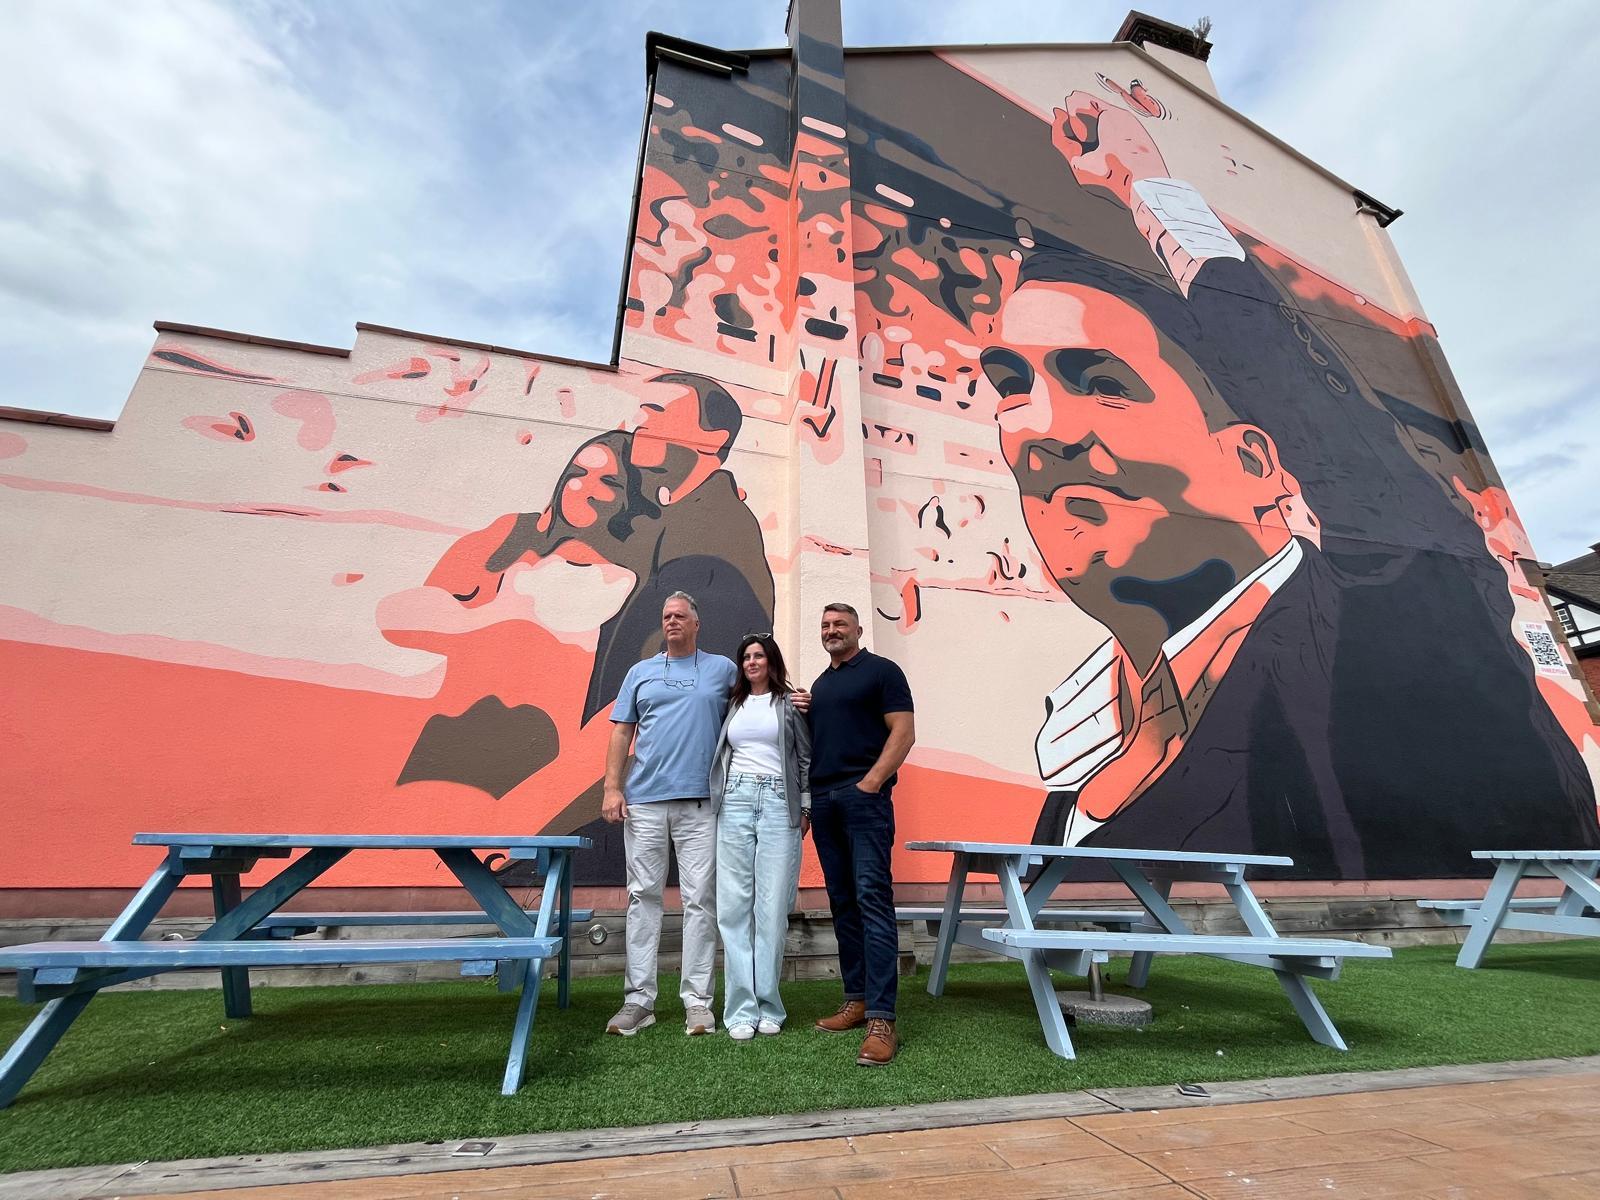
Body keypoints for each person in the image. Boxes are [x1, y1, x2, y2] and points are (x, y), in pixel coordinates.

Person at [602, 591, 737, 1036]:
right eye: (666, 616)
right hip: (644, 803)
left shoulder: (722, 670)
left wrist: (797, 701)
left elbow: (756, 706)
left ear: (696, 623)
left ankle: (698, 1003)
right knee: (643, 898)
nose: (672, 621)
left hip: (702, 805)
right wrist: (612, 787)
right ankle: (639, 1001)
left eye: (680, 615)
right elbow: (622, 733)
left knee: (701, 901)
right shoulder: (640, 673)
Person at [806, 603, 915, 1066]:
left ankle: (882, 1018)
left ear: (858, 630)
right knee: (843, 902)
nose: (832, 631)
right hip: (825, 803)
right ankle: (856, 1000)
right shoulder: (821, 685)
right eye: (826, 625)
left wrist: (870, 783)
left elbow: (904, 733)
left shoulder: (883, 672)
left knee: (872, 899)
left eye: (840, 625)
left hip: (863, 801)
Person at [708, 633, 812, 1040]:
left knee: (771, 909)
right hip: (734, 801)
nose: (752, 662)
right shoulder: (732, 704)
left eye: (759, 656)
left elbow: (805, 758)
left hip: (777, 802)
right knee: (733, 908)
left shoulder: (789, 704)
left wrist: (806, 808)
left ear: (771, 662)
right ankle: (739, 1011)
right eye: (746, 657)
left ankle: (769, 1006)